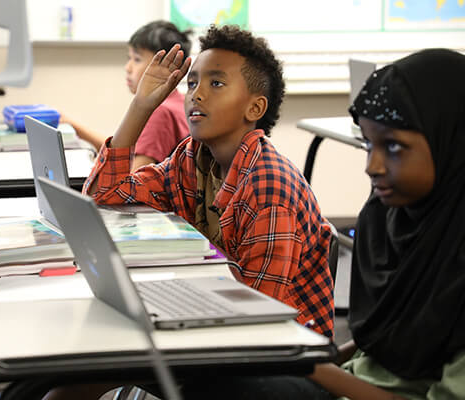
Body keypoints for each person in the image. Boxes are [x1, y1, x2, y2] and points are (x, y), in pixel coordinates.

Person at [180, 48, 465, 400]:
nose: (371, 166)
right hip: (348, 381)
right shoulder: (392, 220)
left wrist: (308, 365)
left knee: (210, 381)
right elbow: (376, 345)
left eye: (393, 147)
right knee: (196, 373)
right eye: (367, 144)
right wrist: (317, 359)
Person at [84, 24, 334, 339]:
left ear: (255, 107)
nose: (197, 94)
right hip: (218, 313)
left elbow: (262, 316)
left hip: (281, 357)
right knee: (97, 348)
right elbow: (105, 197)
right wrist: (141, 106)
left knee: (109, 347)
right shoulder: (191, 160)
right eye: (192, 83)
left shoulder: (269, 187)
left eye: (216, 83)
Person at [64, 20, 191, 171]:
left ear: (168, 65)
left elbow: (132, 179)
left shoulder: (160, 112)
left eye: (137, 59)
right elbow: (120, 148)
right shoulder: (177, 102)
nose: (128, 67)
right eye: (128, 58)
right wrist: (73, 126)